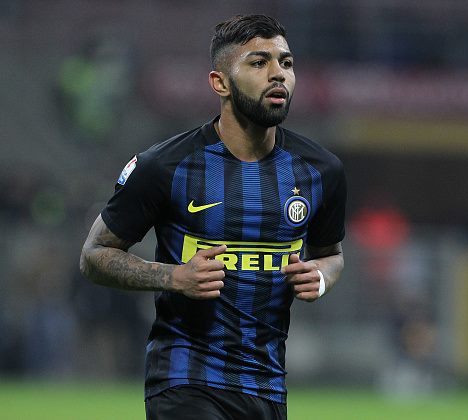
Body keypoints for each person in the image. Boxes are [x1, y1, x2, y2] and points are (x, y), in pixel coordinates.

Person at [79, 14, 346, 420]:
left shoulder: (321, 171)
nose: (278, 74)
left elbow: (331, 255)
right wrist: (174, 277)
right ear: (220, 83)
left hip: (268, 386)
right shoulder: (165, 166)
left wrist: (321, 276)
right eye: (259, 63)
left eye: (286, 63)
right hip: (184, 379)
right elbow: (94, 255)